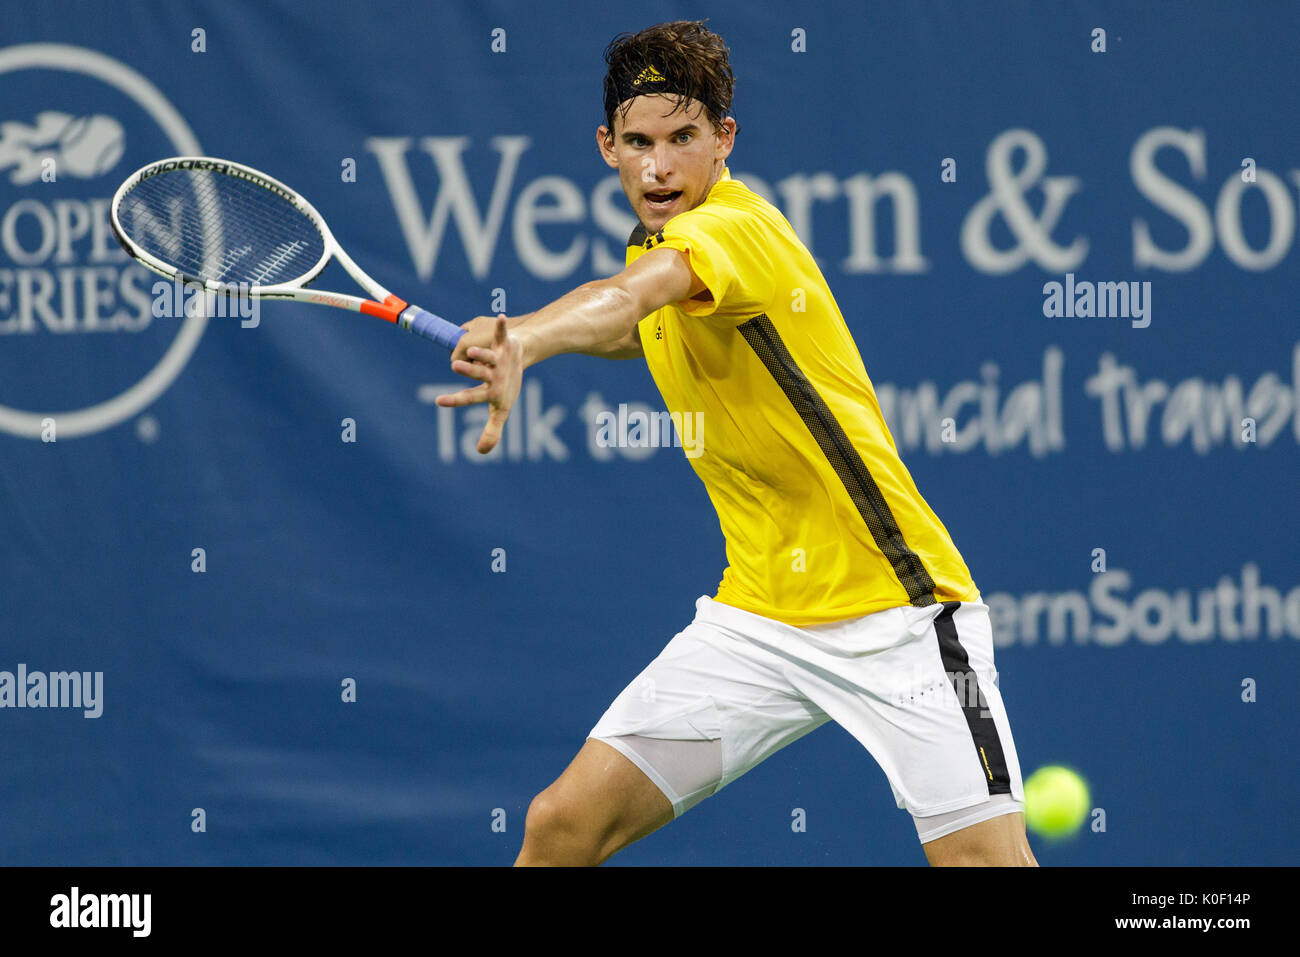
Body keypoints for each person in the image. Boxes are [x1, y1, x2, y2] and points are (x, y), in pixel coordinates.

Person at [437, 19, 1037, 867]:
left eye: (684, 138)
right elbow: (630, 326)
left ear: (724, 141)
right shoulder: (661, 251)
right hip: (758, 623)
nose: (659, 166)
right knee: (562, 825)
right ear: (606, 146)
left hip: (897, 615)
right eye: (639, 141)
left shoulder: (729, 232)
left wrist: (526, 338)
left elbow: (625, 297)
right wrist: (532, 338)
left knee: (985, 863)